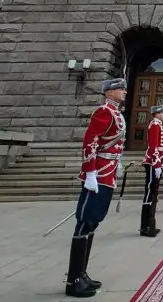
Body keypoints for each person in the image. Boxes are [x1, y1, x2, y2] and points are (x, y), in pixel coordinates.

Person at [64, 78, 127, 298]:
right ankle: (73, 280)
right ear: (109, 93)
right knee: (85, 222)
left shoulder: (116, 113)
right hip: (98, 174)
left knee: (93, 223)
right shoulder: (104, 111)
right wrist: (90, 171)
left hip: (107, 174)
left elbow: (113, 142)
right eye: (121, 89)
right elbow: (91, 140)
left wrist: (117, 164)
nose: (124, 92)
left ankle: (82, 274)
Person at [140, 104, 163, 238]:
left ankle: (149, 224)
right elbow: (153, 146)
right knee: (150, 192)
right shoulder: (155, 125)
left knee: (153, 192)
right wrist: (156, 163)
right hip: (152, 162)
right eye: (162, 113)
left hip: (156, 161)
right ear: (156, 114)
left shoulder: (157, 125)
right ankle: (146, 226)